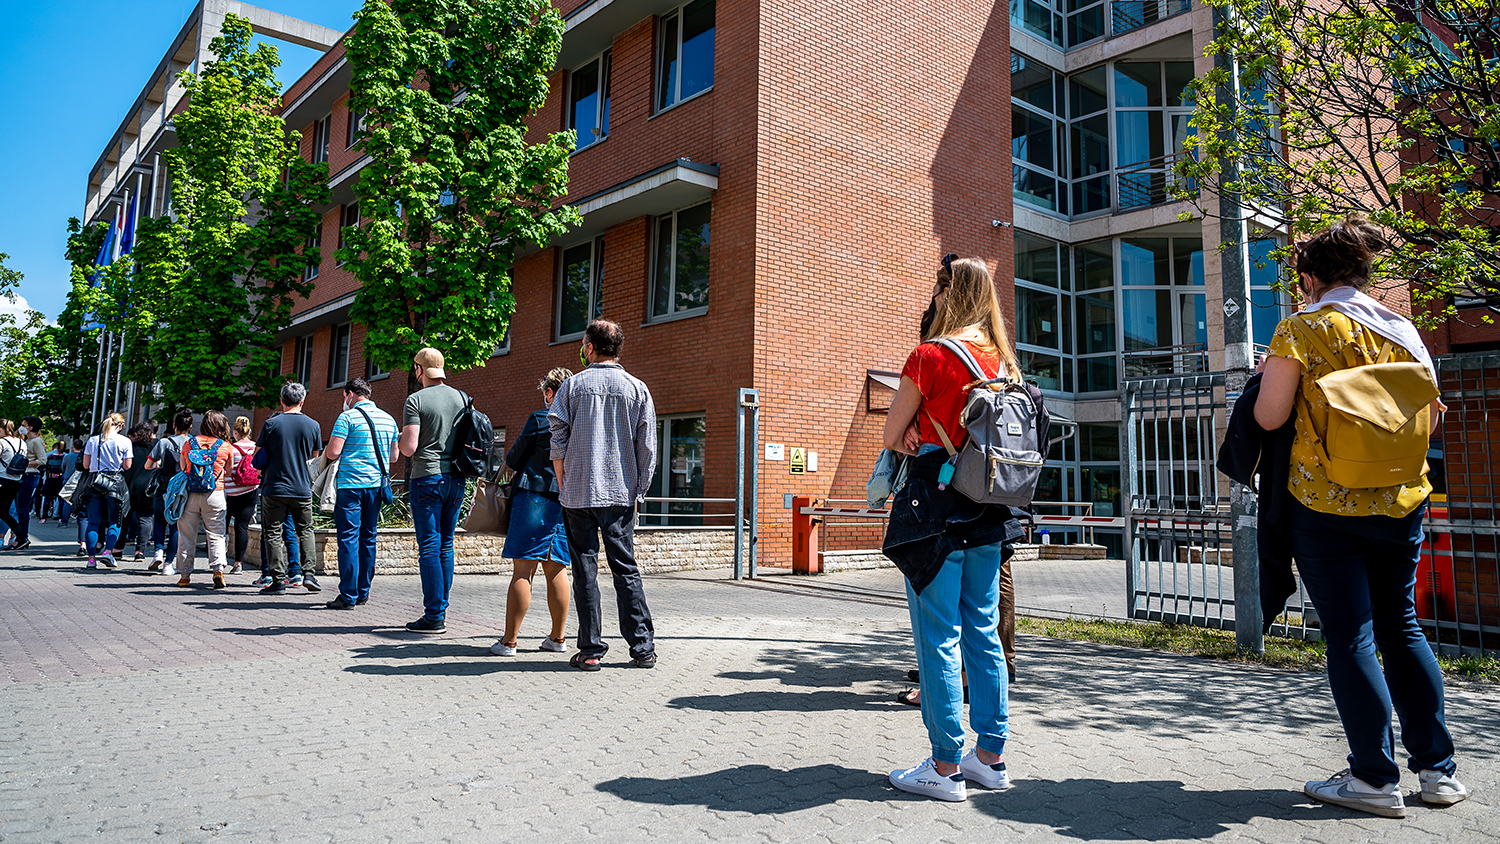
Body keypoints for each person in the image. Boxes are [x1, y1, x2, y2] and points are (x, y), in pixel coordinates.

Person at [1253, 217, 1467, 817]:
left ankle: (1373, 779)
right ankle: (1438, 773)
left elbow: (1270, 417)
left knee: (1350, 634)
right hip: (1400, 499)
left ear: (1310, 276)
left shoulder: (1302, 328)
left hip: (1324, 503)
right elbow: (1435, 417)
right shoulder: (1403, 330)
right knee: (1402, 626)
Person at [880, 256, 1028, 802]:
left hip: (935, 511)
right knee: (983, 632)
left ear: (949, 293)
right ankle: (990, 756)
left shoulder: (931, 356)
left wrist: (916, 436)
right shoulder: (1005, 363)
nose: (935, 298)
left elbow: (895, 432)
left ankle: (944, 767)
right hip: (990, 509)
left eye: (939, 289)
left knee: (937, 636)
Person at [549, 320, 657, 671]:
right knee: (626, 569)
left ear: (590, 347)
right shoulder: (637, 389)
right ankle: (642, 648)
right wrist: (639, 489)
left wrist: (563, 480)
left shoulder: (572, 387)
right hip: (620, 492)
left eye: (583, 344)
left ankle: (591, 649)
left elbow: (557, 436)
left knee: (584, 571)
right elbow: (648, 448)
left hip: (578, 493)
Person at [492, 367, 574, 655]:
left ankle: (509, 641)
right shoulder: (580, 422)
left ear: (550, 393)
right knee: (557, 570)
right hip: (565, 502)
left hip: (534, 497)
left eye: (544, 393)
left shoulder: (542, 418)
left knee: (523, 572)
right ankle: (558, 639)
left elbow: (513, 460)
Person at [398, 348, 469, 633]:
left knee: (429, 546)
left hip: (427, 478)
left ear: (419, 370)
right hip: (456, 478)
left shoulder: (415, 400)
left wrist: (399, 437)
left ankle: (433, 615)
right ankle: (442, 606)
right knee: (446, 544)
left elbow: (409, 448)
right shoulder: (462, 398)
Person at [322, 377, 397, 610]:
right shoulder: (389, 418)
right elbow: (393, 457)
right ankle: (363, 592)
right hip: (376, 487)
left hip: (350, 487)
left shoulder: (347, 417)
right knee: (368, 538)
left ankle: (347, 595)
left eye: (345, 396)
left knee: (348, 539)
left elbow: (333, 452)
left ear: (350, 394)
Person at [257, 382, 322, 595]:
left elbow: (257, 456)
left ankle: (277, 581)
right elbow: (315, 459)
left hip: (274, 486)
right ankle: (309, 574)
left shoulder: (271, 424)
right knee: (305, 530)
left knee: (273, 532)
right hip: (302, 486)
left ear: (282, 401)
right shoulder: (313, 425)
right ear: (302, 401)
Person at [172, 412, 237, 588]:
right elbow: (229, 472)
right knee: (216, 534)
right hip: (215, 494)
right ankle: (217, 570)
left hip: (190, 494)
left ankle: (184, 576)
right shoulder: (225, 446)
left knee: (186, 535)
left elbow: (184, 467)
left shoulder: (189, 443)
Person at [81, 412, 134, 569]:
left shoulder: (93, 440)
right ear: (120, 426)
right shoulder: (124, 441)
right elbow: (127, 466)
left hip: (94, 482)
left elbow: (85, 465)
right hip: (115, 483)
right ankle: (108, 552)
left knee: (93, 523)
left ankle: (91, 559)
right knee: (115, 520)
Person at [146, 410, 195, 574]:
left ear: (174, 425)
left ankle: (158, 551)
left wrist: (159, 465)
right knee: (175, 527)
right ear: (190, 426)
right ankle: (168, 564)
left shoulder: (164, 443)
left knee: (159, 521)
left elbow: (148, 465)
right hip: (183, 490)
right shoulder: (193, 443)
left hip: (164, 487)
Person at [222, 416, 260, 576]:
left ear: (235, 431)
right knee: (242, 527)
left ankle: (220, 561)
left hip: (231, 493)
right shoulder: (255, 447)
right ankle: (238, 563)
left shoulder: (231, 448)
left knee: (222, 527)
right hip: (251, 490)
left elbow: (227, 471)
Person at [120, 423, 158, 562]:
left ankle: (118, 549)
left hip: (129, 485)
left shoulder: (130, 446)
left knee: (124, 518)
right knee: (146, 518)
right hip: (148, 486)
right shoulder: (155, 445)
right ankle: (140, 551)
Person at [0, 420, 28, 550]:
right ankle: (22, 537)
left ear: (1, 429)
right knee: (4, 512)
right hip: (16, 481)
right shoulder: (22, 442)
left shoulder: (2, 442)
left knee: (3, 512)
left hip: (2, 479)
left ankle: (22, 537)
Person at [40, 440, 67, 523]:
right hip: (60, 479)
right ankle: (60, 517)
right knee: (61, 499)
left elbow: (46, 467)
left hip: (50, 478)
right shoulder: (65, 457)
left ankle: (44, 518)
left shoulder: (50, 456)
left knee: (47, 498)